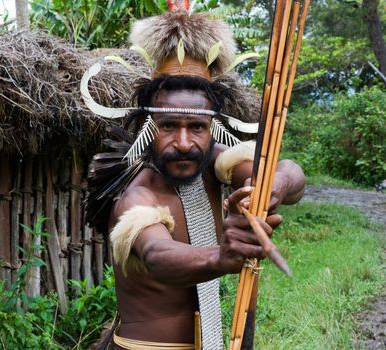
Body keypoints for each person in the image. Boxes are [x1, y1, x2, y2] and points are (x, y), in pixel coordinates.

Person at [83, 5, 305, 350]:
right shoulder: (137, 196)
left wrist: (273, 187)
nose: (184, 143)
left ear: (212, 129)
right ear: (149, 127)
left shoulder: (213, 161)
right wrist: (220, 256)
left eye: (196, 127)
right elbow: (159, 255)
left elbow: (291, 173)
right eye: (169, 126)